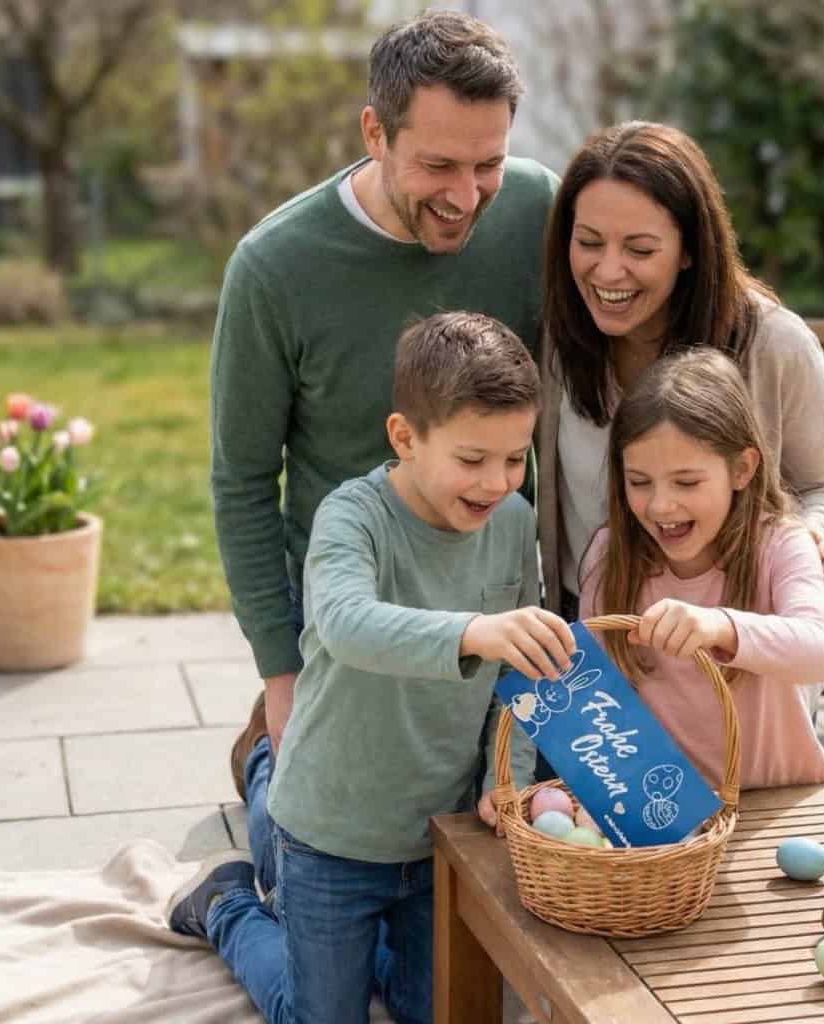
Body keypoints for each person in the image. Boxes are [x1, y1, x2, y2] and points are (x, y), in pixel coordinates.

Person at [168, 311, 575, 1024]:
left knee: (435, 1011)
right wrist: (478, 631)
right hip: (330, 835)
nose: (496, 482)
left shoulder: (511, 524)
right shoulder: (351, 517)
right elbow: (346, 624)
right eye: (472, 459)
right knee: (318, 1015)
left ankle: (360, 948)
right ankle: (229, 905)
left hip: (439, 837)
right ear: (404, 437)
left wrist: (502, 780)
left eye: (515, 460)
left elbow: (523, 676)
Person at [211, 9, 560, 785]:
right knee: (332, 842)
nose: (466, 197)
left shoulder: (535, 209)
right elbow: (239, 482)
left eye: (488, 165)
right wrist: (281, 674)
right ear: (375, 131)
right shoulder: (274, 267)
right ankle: (263, 759)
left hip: (496, 603)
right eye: (438, 166)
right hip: (353, 616)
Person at [536, 121, 824, 629]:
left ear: (688, 250)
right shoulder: (558, 341)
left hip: (732, 645)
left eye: (640, 250)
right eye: (589, 242)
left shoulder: (774, 343)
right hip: (595, 632)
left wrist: (810, 536)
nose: (608, 271)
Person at [579, 347, 824, 789]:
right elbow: (592, 692)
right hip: (670, 816)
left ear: (741, 468)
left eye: (687, 482)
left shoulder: (781, 543)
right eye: (639, 482)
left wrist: (720, 627)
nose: (661, 505)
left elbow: (821, 651)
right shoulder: (610, 555)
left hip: (778, 801)